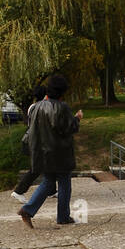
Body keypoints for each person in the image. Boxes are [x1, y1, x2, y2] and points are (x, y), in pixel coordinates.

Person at [20, 72, 82, 227]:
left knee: (48, 182)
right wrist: (77, 118)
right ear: (62, 92)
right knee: (64, 183)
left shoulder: (36, 107)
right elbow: (69, 128)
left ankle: (28, 210)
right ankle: (63, 216)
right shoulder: (61, 108)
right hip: (60, 153)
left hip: (43, 153)